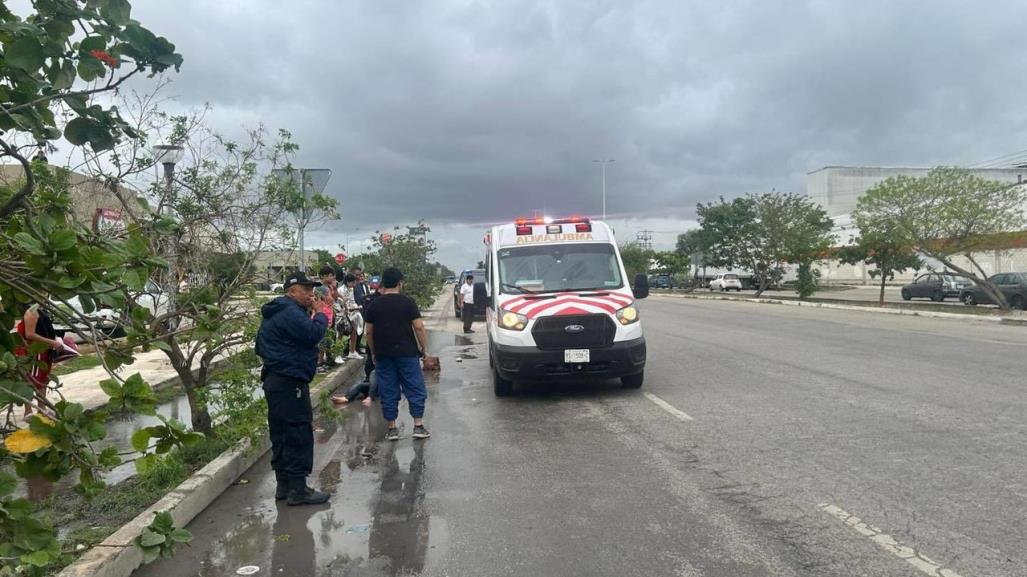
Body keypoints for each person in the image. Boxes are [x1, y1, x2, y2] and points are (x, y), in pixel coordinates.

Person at [255, 271, 332, 506]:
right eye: (306, 289)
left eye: (312, 289)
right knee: (297, 432)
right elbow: (312, 334)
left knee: (280, 433)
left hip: (276, 380)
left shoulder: (277, 311)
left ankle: (284, 485)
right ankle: (298, 490)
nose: (312, 294)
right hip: (290, 382)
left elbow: (261, 346)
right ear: (292, 291)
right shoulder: (289, 312)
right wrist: (320, 314)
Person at [365, 267, 431, 441]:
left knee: (388, 389)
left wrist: (373, 352)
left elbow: (369, 332)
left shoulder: (374, 305)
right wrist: (424, 349)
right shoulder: (408, 302)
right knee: (415, 388)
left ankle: (392, 428)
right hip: (407, 353)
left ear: (383, 284)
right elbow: (418, 327)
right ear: (400, 282)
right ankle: (418, 425)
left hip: (383, 354)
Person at [16, 303, 63, 417]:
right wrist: (52, 342)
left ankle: (42, 408)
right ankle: (28, 411)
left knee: (43, 379)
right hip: (34, 350)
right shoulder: (31, 312)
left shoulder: (40, 310)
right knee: (30, 379)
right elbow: (30, 334)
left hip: (43, 350)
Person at [339, 274, 364, 360]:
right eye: (353, 283)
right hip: (342, 314)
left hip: (352, 313)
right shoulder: (341, 290)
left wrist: (355, 306)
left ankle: (352, 351)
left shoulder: (351, 289)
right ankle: (337, 354)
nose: (354, 285)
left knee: (354, 330)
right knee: (340, 334)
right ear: (348, 282)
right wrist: (351, 307)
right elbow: (342, 303)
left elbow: (352, 300)